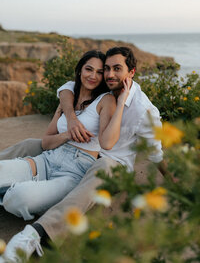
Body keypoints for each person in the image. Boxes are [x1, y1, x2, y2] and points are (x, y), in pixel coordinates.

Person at [0, 47, 164, 263]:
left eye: (113, 69)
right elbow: (49, 135)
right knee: (26, 150)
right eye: (103, 69)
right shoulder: (72, 93)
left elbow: (123, 145)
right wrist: (70, 121)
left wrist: (173, 180)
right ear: (79, 71)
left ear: (131, 72)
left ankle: (35, 226)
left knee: (16, 198)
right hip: (51, 158)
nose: (101, 75)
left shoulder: (127, 105)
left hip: (90, 167)